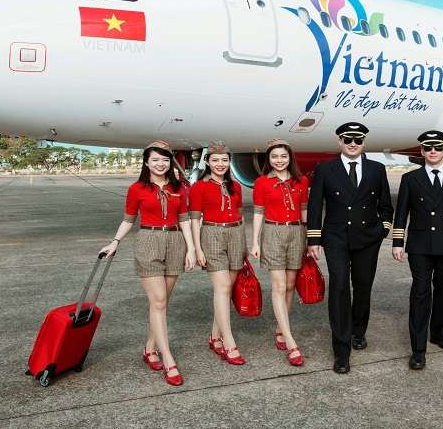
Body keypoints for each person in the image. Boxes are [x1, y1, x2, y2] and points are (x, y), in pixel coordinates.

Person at [99, 140, 196, 386]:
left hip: (175, 242)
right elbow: (128, 219)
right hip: (149, 241)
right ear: (146, 162)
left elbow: (184, 219)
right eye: (155, 160)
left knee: (162, 303)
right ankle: (168, 359)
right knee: (159, 300)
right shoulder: (137, 189)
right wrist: (115, 242)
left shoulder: (178, 187)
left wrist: (192, 248)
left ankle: (149, 348)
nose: (160, 164)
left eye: (165, 160)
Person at [306, 122, 393, 374]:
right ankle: (341, 350)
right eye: (347, 140)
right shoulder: (325, 169)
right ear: (340, 142)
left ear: (364, 142)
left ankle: (358, 331)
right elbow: (315, 205)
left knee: (363, 287)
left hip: (368, 238)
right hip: (336, 238)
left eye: (357, 140)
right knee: (340, 288)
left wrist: (383, 229)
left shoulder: (377, 169)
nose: (352, 144)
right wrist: (314, 239)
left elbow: (385, 205)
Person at [391, 131, 443, 370]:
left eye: (438, 147)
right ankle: (418, 350)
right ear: (422, 151)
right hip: (420, 245)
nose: (433, 152)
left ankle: (440, 333)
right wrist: (397, 242)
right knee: (420, 293)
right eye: (428, 148)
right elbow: (401, 213)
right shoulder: (410, 178)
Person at [251, 139, 309, 367]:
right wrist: (255, 242)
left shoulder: (302, 181)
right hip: (272, 232)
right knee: (279, 285)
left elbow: (304, 211)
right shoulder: (262, 182)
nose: (279, 160)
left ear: (290, 158)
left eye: (283, 156)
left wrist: (310, 239)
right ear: (268, 159)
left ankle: (280, 328)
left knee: (290, 285)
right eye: (274, 157)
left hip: (296, 232)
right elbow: (258, 213)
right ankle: (291, 341)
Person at [189, 141, 247, 366]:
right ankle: (228, 341)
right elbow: (195, 220)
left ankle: (214, 336)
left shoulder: (236, 187)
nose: (220, 164)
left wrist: (243, 242)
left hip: (236, 234)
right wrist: (197, 248)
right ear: (207, 162)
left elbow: (240, 214)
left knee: (227, 289)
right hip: (211, 234)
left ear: (229, 162)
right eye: (215, 160)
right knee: (222, 287)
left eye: (224, 160)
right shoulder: (199, 187)